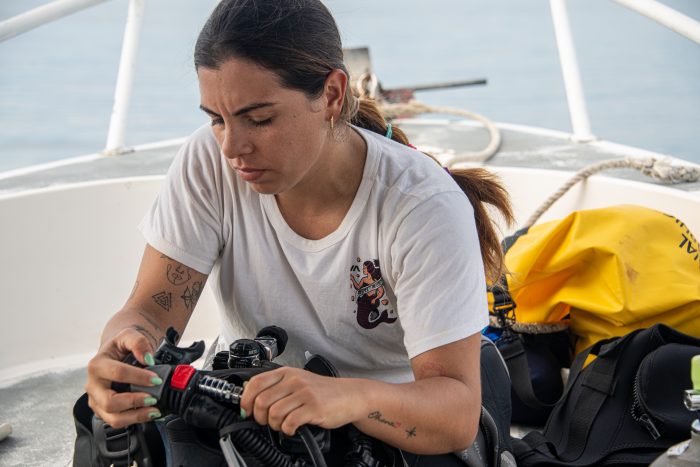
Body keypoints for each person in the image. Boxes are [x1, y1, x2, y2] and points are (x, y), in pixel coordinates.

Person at [84, 0, 513, 464]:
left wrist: (342, 397)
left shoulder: (420, 205)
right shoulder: (208, 164)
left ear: (331, 94)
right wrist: (124, 350)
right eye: (215, 118)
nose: (232, 147)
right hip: (251, 411)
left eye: (260, 119)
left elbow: (455, 414)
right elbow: (147, 312)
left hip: (388, 424)